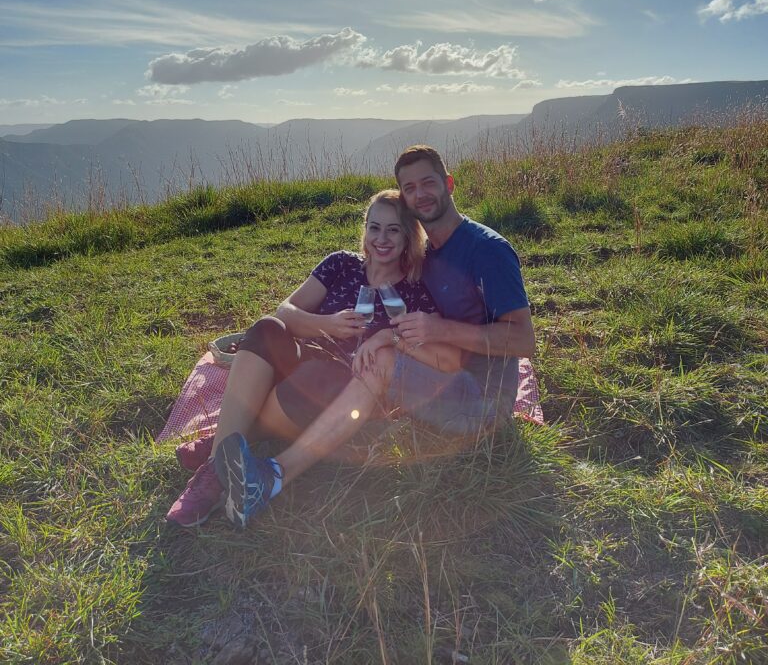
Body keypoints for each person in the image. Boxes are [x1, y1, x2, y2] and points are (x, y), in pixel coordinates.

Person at [210, 145, 536, 529]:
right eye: (409, 187)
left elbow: (524, 342)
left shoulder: (487, 250)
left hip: (481, 397)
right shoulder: (429, 256)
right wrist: (378, 334)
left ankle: (272, 475)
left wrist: (415, 334)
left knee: (368, 366)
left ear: (449, 184)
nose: (420, 194)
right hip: (430, 368)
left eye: (429, 183)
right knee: (288, 339)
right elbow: (296, 312)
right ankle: (223, 462)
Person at [166, 188, 461, 526]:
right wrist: (328, 324)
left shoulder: (416, 289)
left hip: (342, 389)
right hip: (304, 360)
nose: (381, 238)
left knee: (319, 378)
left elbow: (435, 352)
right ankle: (220, 465)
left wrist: (387, 337)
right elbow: (286, 311)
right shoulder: (341, 264)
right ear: (365, 229)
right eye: (374, 227)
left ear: (408, 235)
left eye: (393, 229)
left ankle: (224, 448)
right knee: (265, 328)